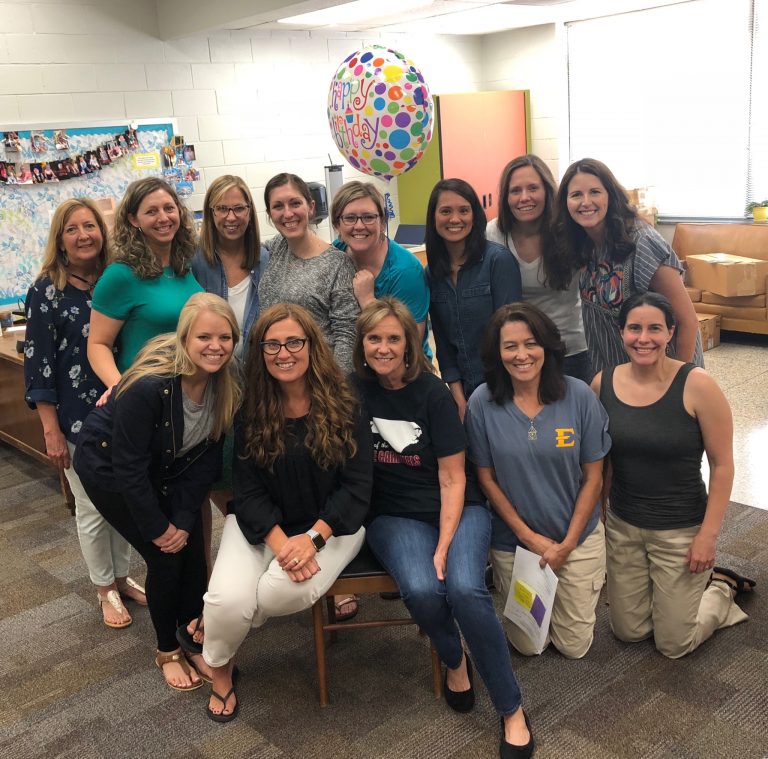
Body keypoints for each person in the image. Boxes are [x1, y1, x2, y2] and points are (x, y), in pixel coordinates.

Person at [352, 297, 534, 759]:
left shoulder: (432, 394)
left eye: (394, 338)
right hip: (393, 514)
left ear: (409, 345)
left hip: (456, 505)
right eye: (374, 338)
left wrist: (444, 544)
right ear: (362, 344)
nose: (384, 347)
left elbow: (453, 478)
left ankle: (511, 708)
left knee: (466, 589)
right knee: (421, 589)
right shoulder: (352, 390)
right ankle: (454, 658)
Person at [201, 304, 371, 722]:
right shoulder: (251, 409)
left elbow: (357, 487)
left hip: (333, 527)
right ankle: (220, 670)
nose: (284, 353)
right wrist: (281, 544)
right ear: (259, 352)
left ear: (312, 345)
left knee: (274, 594)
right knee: (226, 599)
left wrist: (311, 540)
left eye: (294, 342)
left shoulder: (346, 402)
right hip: (265, 524)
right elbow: (248, 491)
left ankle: (222, 623)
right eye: (272, 345)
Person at [74, 293, 241, 691]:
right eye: (204, 337)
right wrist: (158, 528)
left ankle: (191, 639)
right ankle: (167, 649)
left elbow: (205, 462)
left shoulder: (225, 385)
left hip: (166, 469)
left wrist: (182, 521)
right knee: (165, 556)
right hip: (108, 468)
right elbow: (129, 468)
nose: (215, 346)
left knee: (194, 551)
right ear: (184, 338)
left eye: (225, 337)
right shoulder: (149, 387)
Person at [592, 292, 753, 658]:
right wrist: (599, 512)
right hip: (624, 525)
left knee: (673, 644)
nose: (643, 338)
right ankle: (669, 596)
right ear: (621, 332)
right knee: (628, 632)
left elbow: (723, 465)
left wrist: (708, 537)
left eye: (654, 329)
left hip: (680, 529)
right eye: (634, 328)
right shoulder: (603, 384)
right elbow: (602, 460)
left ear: (670, 332)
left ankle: (721, 588)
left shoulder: (697, 385)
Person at [23, 198, 146, 629]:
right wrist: (50, 429)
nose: (83, 235)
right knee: (92, 505)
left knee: (123, 496)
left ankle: (122, 576)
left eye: (90, 226)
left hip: (122, 409)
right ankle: (103, 587)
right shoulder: (46, 290)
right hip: (75, 419)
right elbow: (38, 364)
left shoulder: (114, 281)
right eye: (72, 229)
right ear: (60, 239)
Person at [465, 303, 610, 659]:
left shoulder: (579, 396)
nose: (522, 355)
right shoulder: (482, 402)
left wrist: (568, 543)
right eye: (510, 346)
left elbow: (594, 478)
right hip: (516, 543)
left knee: (573, 647)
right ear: (497, 353)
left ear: (547, 346)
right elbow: (486, 479)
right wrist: (529, 538)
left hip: (576, 538)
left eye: (531, 343)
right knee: (530, 645)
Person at [556, 157, 702, 374]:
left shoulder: (642, 242)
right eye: (576, 194)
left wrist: (679, 382)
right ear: (566, 202)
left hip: (661, 374)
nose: (586, 202)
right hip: (613, 374)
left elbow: (687, 321)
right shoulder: (583, 244)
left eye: (595, 192)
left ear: (610, 195)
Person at [88, 176, 202, 392]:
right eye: (151, 212)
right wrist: (120, 389)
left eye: (169, 208)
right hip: (147, 392)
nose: (163, 217)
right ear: (134, 219)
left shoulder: (185, 265)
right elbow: (98, 345)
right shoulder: (120, 275)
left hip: (190, 389)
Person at [486, 155, 591, 383]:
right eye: (515, 190)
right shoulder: (493, 234)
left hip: (569, 350)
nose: (524, 197)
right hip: (519, 352)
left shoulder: (570, 231)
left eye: (533, 188)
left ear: (548, 191)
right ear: (505, 197)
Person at [425, 178, 522, 420]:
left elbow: (513, 335)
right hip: (463, 394)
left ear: (475, 215)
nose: (455, 219)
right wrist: (459, 399)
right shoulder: (432, 273)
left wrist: (498, 394)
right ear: (433, 217)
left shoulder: (497, 261)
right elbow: (443, 345)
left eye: (463, 210)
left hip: (505, 389)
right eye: (445, 211)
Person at [258, 172, 359, 372]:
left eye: (295, 203)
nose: (288, 214)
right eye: (278, 206)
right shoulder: (275, 248)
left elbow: (347, 335)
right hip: (276, 373)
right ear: (270, 214)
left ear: (311, 207)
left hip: (318, 378)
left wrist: (336, 384)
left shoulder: (337, 264)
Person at [331, 179, 430, 346]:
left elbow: (410, 344)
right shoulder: (335, 254)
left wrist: (368, 301)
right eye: (350, 218)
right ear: (337, 224)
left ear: (383, 223)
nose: (359, 226)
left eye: (368, 217)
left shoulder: (406, 271)